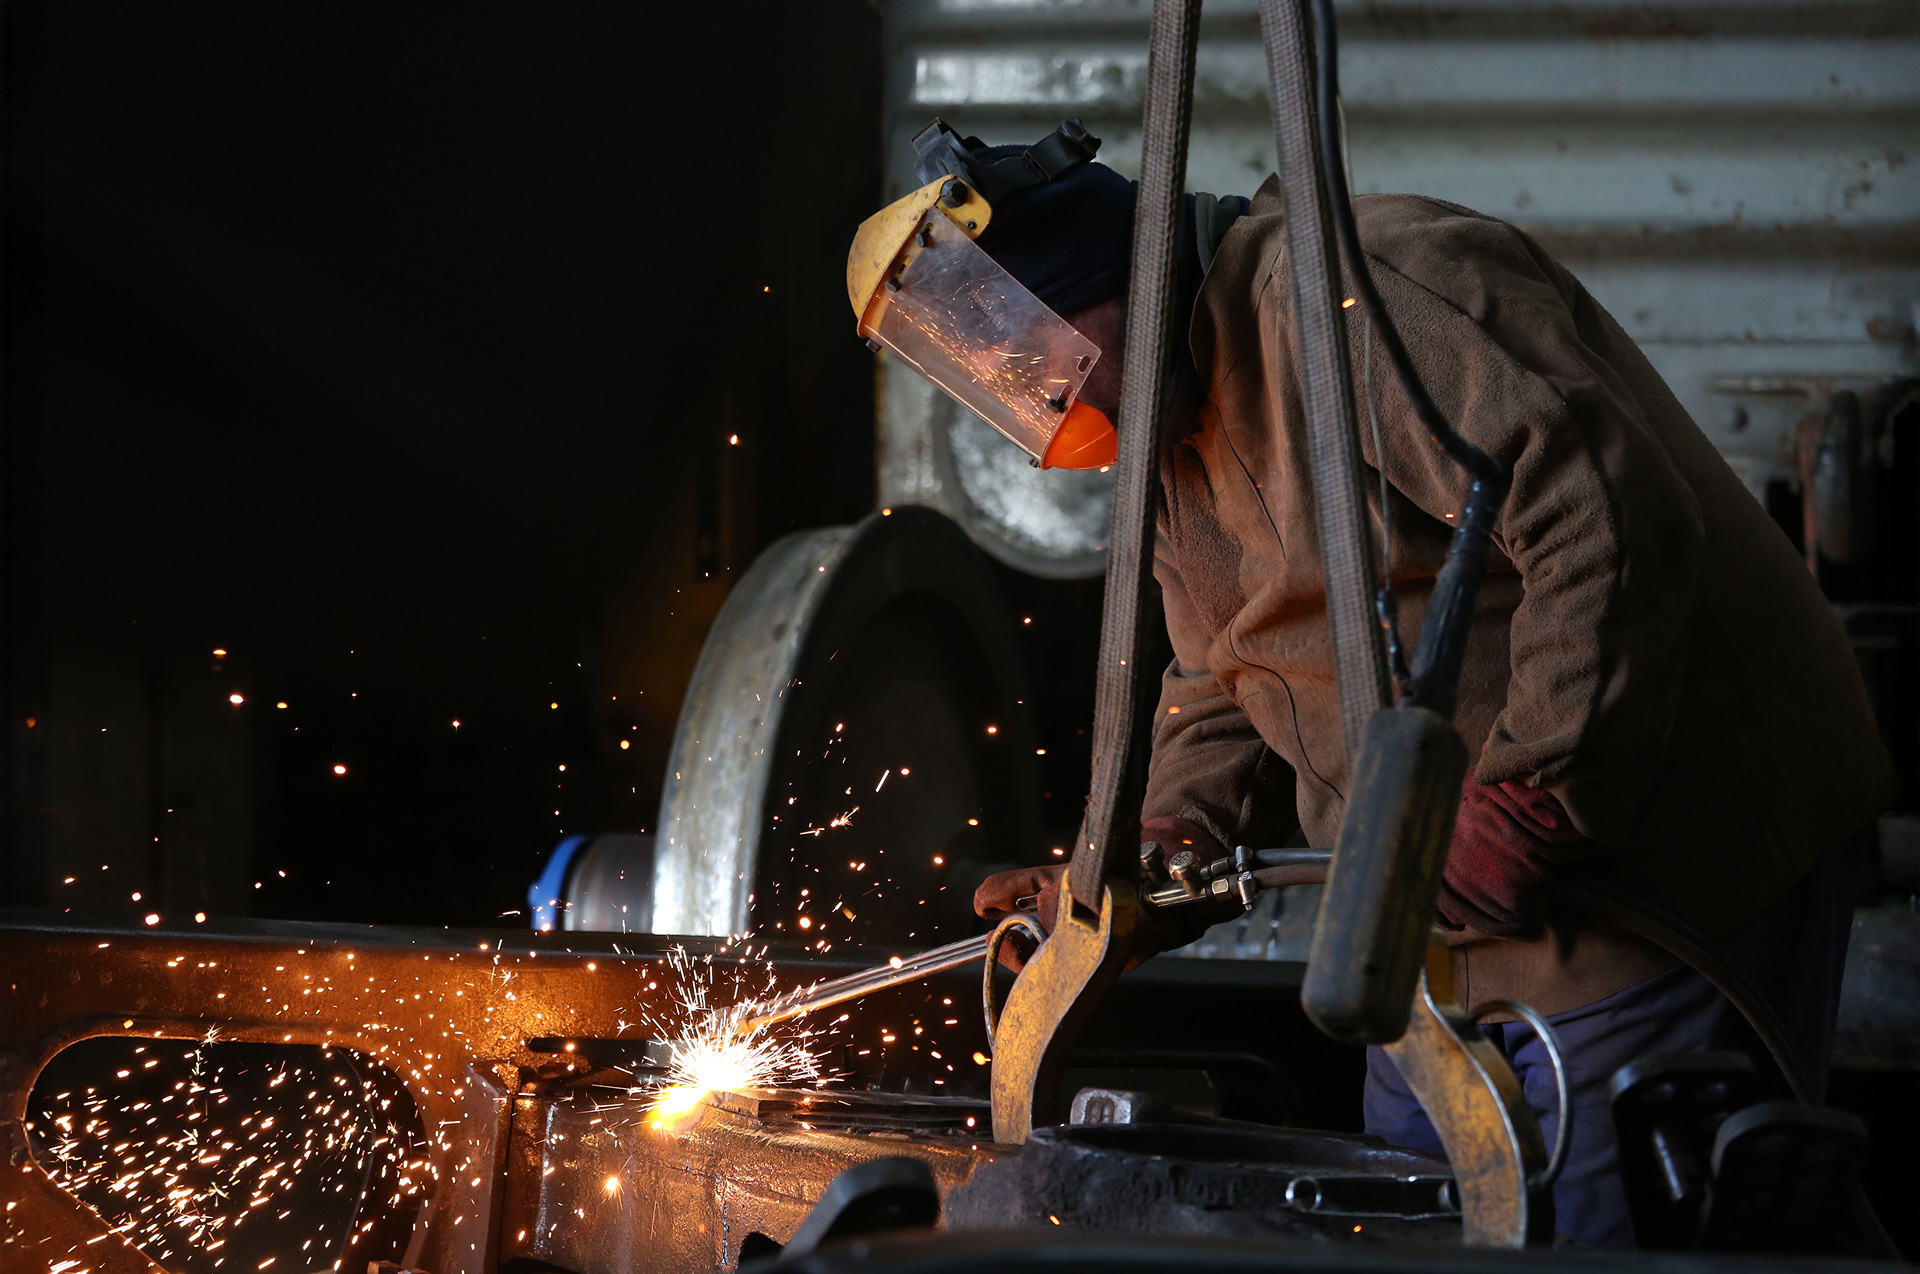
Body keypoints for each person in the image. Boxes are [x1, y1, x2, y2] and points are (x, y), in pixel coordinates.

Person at [851, 119, 1896, 1248]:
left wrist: (1535, 793)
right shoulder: (1174, 430)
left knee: (1592, 1230)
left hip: (1659, 849)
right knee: (1407, 1220)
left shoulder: (1360, 293)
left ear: (1095, 266)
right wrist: (1160, 844)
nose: (1032, 395)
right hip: (1431, 909)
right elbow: (1218, 669)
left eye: (1025, 351)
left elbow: (1608, 516)